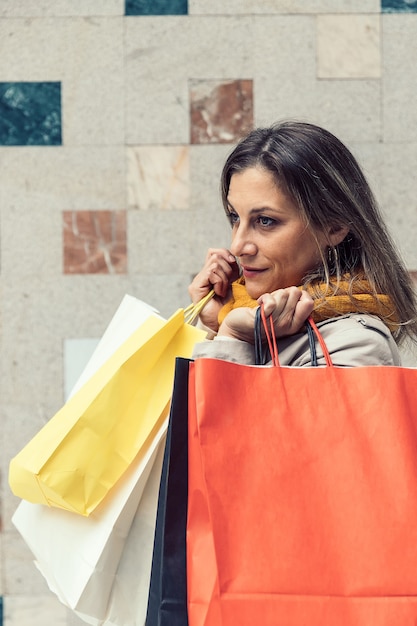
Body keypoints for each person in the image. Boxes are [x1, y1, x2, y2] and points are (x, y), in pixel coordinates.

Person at [188, 120, 417, 366]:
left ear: (335, 227)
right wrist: (214, 325)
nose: (238, 246)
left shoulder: (356, 346)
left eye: (265, 221)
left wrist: (233, 337)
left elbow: (213, 406)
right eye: (235, 217)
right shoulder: (238, 312)